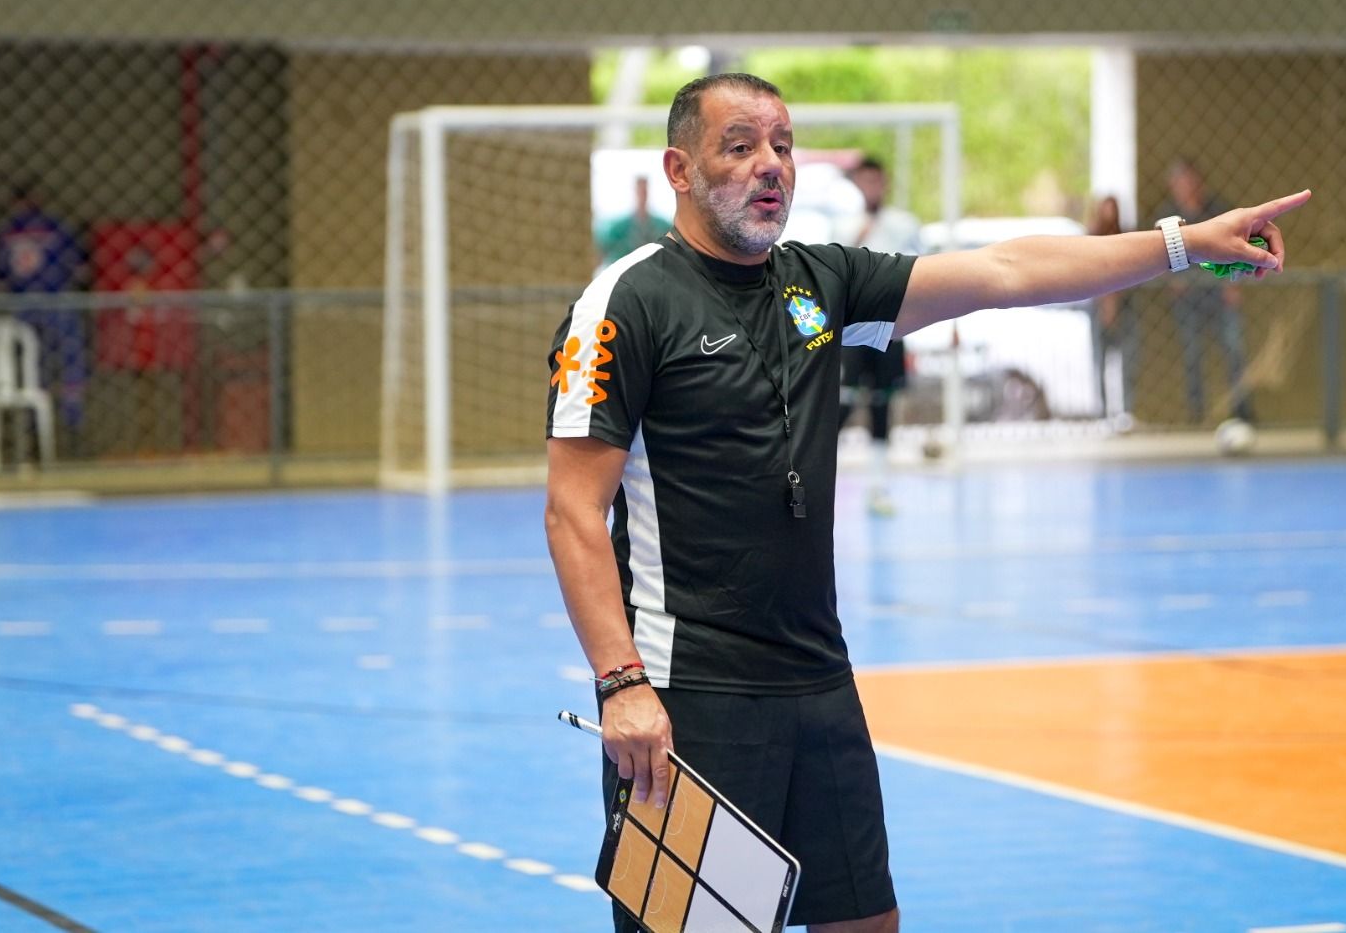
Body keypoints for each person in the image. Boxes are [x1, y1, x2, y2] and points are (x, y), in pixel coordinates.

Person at [545, 72, 1307, 933]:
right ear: (679, 170)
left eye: (784, 146)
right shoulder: (628, 301)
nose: (772, 166)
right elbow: (573, 510)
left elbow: (1007, 270)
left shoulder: (818, 284)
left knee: (867, 921)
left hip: (816, 680)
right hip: (692, 693)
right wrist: (622, 685)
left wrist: (1180, 241)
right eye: (741, 145)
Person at [834, 157, 921, 515]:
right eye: (864, 181)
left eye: (876, 181)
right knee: (842, 402)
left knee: (883, 405)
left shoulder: (904, 224)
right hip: (854, 332)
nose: (871, 187)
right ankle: (812, 476)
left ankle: (879, 486)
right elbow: (835, 274)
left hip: (891, 330)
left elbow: (919, 271)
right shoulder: (844, 226)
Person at [1150, 158, 1255, 424]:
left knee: (1234, 350)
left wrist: (1234, 283)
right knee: (1192, 354)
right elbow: (1155, 253)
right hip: (1188, 298)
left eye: (1189, 180)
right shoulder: (1167, 216)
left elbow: (1236, 247)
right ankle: (1197, 415)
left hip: (1218, 292)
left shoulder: (1217, 210)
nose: (1185, 186)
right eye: (1179, 182)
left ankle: (1242, 411)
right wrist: (1171, 279)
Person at [0, 180, 89, 435]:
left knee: (31, 361)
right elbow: (78, 269)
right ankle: (71, 414)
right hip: (56, 300)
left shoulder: (6, 231)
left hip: (22, 304)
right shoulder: (55, 226)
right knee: (69, 356)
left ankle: (35, 420)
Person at [1085, 195, 1137, 427]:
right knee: (1099, 362)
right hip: (1098, 310)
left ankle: (1125, 412)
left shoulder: (1126, 238)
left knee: (1128, 361)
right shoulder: (1090, 240)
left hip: (1125, 309)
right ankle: (1102, 413)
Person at [595, 175, 673, 268]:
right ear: (635, 192)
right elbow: (603, 253)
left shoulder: (662, 225)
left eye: (644, 192)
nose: (642, 196)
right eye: (639, 191)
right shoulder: (619, 228)